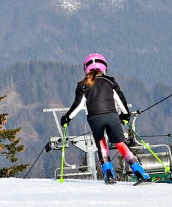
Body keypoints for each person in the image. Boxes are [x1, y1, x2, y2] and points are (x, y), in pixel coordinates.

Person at [60, 54, 151, 184]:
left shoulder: (83, 85)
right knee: (120, 143)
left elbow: (78, 105)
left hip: (94, 118)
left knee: (101, 143)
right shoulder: (110, 81)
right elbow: (120, 100)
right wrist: (125, 115)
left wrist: (67, 118)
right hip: (111, 115)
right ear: (104, 67)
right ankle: (139, 172)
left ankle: (108, 173)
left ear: (86, 68)